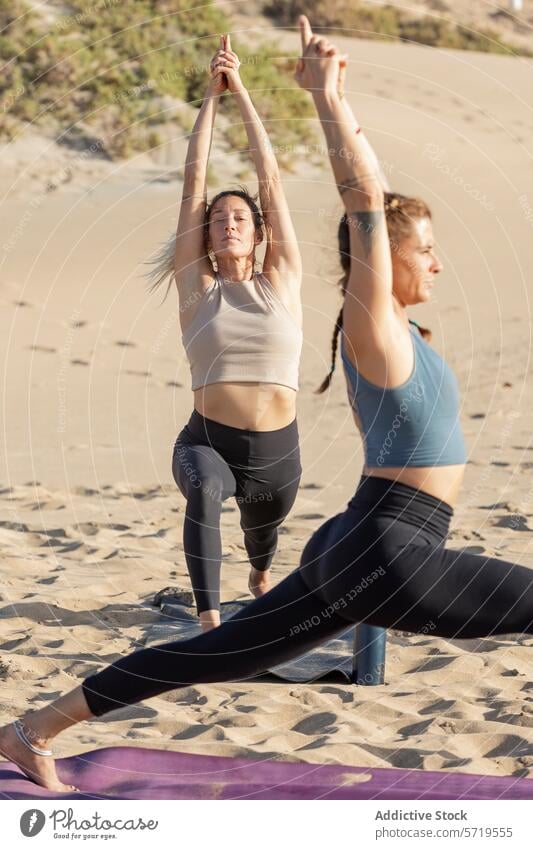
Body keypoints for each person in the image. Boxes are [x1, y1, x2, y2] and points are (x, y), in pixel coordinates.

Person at [1, 18, 532, 793]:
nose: (440, 262)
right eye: (426, 249)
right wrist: (327, 99)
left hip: (352, 542)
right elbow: (358, 199)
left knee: (219, 652)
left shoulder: (404, 333)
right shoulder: (372, 321)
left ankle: (33, 729)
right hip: (389, 548)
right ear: (385, 258)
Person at [147, 35, 303, 631]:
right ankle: (210, 621)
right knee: (207, 491)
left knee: (263, 535)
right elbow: (193, 180)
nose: (228, 225)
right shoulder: (198, 289)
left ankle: (259, 573)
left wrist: (240, 91)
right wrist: (208, 102)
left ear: (257, 232)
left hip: (277, 453)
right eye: (218, 220)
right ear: (207, 236)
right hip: (207, 442)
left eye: (238, 218)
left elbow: (271, 180)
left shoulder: (281, 280)